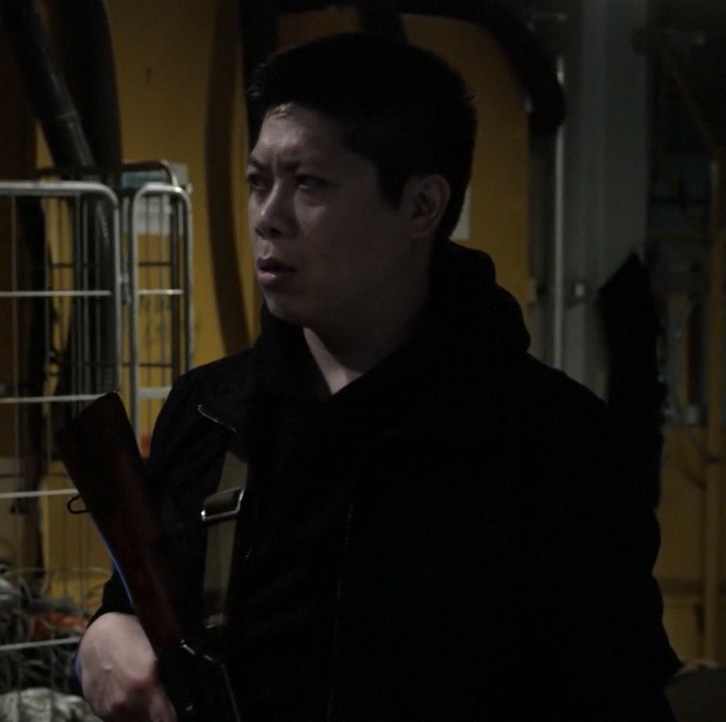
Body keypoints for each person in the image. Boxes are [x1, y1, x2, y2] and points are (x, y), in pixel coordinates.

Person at [76, 32, 681, 721]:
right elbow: (137, 611)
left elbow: (618, 694)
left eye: (309, 184)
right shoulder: (212, 414)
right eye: (258, 182)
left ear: (422, 206)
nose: (268, 217)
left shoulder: (555, 446)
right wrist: (101, 639)